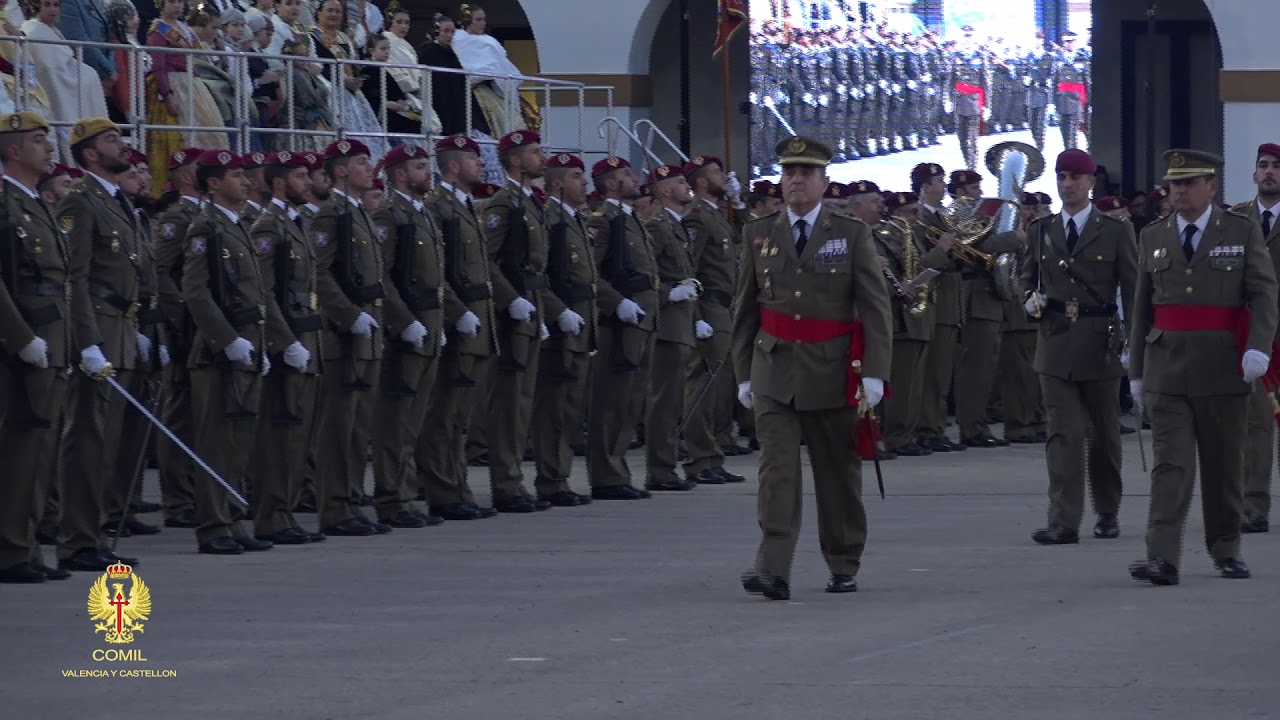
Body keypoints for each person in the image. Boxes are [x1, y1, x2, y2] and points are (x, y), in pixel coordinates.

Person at [736, 136, 892, 600]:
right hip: (774, 367)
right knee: (776, 471)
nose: (796, 180)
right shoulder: (758, 232)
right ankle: (773, 568)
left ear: (825, 181)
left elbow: (875, 307)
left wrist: (875, 373)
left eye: (806, 172)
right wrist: (743, 372)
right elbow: (745, 308)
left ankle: (843, 561)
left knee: (837, 473)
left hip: (833, 368)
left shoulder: (851, 233)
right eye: (789, 172)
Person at [1128, 149, 1279, 585]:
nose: (1179, 191)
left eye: (1189, 183)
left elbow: (1263, 293)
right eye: (1174, 184)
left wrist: (1258, 348)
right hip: (1167, 368)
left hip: (1224, 366)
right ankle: (1162, 556)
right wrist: (1136, 370)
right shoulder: (1153, 235)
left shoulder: (1240, 230)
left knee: (1223, 465)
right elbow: (1142, 307)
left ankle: (1226, 548)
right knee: (1170, 466)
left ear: (1211, 187)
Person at [1021, 149, 1137, 545]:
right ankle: (1063, 520)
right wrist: (1028, 299)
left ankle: (1107, 511)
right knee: (1062, 434)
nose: (1067, 184)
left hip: (1100, 340)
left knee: (1104, 435)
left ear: (1090, 182)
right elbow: (1026, 278)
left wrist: (1133, 342)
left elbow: (1133, 289)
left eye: (1074, 177)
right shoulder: (1041, 230)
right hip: (1054, 341)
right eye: (1061, 177)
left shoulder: (1115, 231)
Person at [54, 118, 141, 572]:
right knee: (87, 440)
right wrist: (86, 342)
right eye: (110, 139)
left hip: (120, 330)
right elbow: (75, 278)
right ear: (89, 154)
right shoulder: (80, 200)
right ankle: (77, 540)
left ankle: (95, 535)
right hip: (98, 331)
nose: (121, 144)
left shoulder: (116, 199)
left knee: (106, 442)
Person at [0, 112, 79, 583]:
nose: (49, 148)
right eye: (37, 140)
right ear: (13, 151)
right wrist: (21, 338)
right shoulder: (5, 202)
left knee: (39, 450)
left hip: (50, 340)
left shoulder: (36, 203)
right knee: (18, 450)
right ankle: (9, 551)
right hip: (21, 343)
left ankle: (25, 545)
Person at [367, 145, 453, 528]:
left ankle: (405, 494)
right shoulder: (389, 216)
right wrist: (404, 322)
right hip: (407, 332)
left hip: (429, 327)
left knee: (414, 420)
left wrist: (440, 322)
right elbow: (381, 277)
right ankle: (391, 499)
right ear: (400, 174)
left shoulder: (422, 214)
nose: (428, 173)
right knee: (395, 421)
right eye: (420, 167)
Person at [309, 138, 390, 536]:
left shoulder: (357, 213)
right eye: (360, 162)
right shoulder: (331, 215)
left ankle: (352, 501)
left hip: (366, 334)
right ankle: (335, 509)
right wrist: (349, 314)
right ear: (341, 171)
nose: (369, 168)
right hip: (343, 336)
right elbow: (319, 272)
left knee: (358, 429)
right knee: (339, 429)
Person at [243, 150, 324, 545]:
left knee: (296, 435)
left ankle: (284, 513)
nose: (307, 182)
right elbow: (264, 292)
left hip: (304, 337)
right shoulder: (268, 227)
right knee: (279, 435)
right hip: (286, 342)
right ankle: (271, 516)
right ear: (278, 183)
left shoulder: (295, 222)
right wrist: (286, 342)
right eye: (299, 176)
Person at [851, 179, 948, 458]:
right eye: (875, 202)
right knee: (895, 383)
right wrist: (899, 287)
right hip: (881, 317)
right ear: (858, 207)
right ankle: (889, 436)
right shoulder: (860, 235)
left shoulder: (883, 233)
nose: (881, 206)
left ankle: (901, 434)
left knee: (912, 384)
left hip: (906, 316)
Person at [585, 157, 661, 501]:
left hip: (642, 320)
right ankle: (606, 476)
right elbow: (592, 273)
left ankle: (618, 471)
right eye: (627, 175)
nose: (635, 178)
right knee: (612, 401)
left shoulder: (629, 219)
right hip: (621, 322)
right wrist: (616, 303)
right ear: (611, 184)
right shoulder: (603, 221)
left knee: (631, 400)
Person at [530, 152, 596, 506]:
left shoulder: (573, 219)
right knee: (554, 409)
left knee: (570, 408)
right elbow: (539, 275)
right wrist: (558, 313)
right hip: (561, 327)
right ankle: (551, 480)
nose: (584, 183)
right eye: (575, 176)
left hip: (580, 325)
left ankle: (560, 476)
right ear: (557, 184)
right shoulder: (550, 219)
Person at [681, 156, 747, 483]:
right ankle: (698, 459)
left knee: (718, 387)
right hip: (708, 306)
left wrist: (738, 203)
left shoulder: (716, 214)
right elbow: (687, 269)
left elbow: (747, 241)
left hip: (725, 307)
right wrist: (695, 316)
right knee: (702, 386)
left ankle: (711, 455)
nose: (725, 176)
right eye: (717, 172)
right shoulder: (697, 217)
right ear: (702, 182)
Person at [642, 164, 700, 493]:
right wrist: (668, 293)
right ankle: (659, 470)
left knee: (674, 399)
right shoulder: (657, 226)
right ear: (664, 190)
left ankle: (665, 466)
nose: (686, 185)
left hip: (682, 322)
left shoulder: (676, 225)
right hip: (667, 324)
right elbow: (646, 273)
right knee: (664, 401)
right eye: (679, 182)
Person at [1231, 143, 1280, 535]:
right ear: (1253, 173)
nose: (1269, 172)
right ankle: (1254, 506)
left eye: (1277, 166)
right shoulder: (1235, 220)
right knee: (1256, 426)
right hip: (1253, 339)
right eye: (1263, 165)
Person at [146, 0, 228, 195]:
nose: (178, 6)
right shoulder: (158, 30)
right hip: (174, 84)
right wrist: (167, 94)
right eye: (172, 1)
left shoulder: (183, 28)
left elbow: (197, 57)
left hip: (192, 84)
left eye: (180, 2)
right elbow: (158, 65)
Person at [911, 163, 966, 453]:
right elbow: (921, 260)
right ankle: (928, 428)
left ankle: (935, 426)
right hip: (935, 300)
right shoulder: (920, 218)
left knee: (943, 372)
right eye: (940, 181)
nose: (945, 186)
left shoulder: (942, 216)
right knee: (933, 372)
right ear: (926, 186)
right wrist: (946, 248)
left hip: (950, 302)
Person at [21, 0, 112, 163]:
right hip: (54, 87)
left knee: (90, 75)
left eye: (56, 5)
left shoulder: (53, 30)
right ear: (37, 7)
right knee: (89, 75)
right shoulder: (33, 30)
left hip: (70, 80)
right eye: (47, 5)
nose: (52, 9)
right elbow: (48, 67)